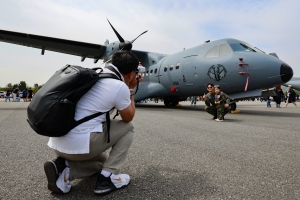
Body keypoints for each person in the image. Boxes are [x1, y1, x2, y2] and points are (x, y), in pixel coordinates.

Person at [44, 50, 142, 195]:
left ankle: (63, 168)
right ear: (131, 73)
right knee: (129, 128)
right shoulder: (119, 86)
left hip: (58, 141)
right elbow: (128, 117)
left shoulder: (94, 73)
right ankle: (108, 178)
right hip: (80, 147)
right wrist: (131, 89)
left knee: (103, 163)